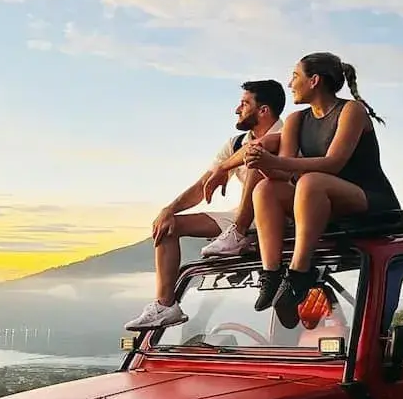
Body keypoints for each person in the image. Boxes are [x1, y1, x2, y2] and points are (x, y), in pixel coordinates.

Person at [244, 52, 401, 328]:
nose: (290, 84)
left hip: (368, 198)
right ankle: (272, 274)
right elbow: (283, 171)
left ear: (314, 80)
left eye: (295, 76)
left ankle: (299, 274)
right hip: (319, 198)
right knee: (266, 189)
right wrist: (262, 165)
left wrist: (275, 160)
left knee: (311, 180)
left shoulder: (351, 111)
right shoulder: (295, 120)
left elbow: (334, 162)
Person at [123, 80, 286, 331]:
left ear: (263, 110)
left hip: (280, 214)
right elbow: (203, 186)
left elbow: (265, 158)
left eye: (244, 103)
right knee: (168, 226)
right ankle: (166, 306)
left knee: (255, 157)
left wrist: (227, 167)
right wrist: (169, 209)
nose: (237, 109)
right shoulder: (235, 143)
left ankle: (239, 234)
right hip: (244, 214)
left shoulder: (289, 135)